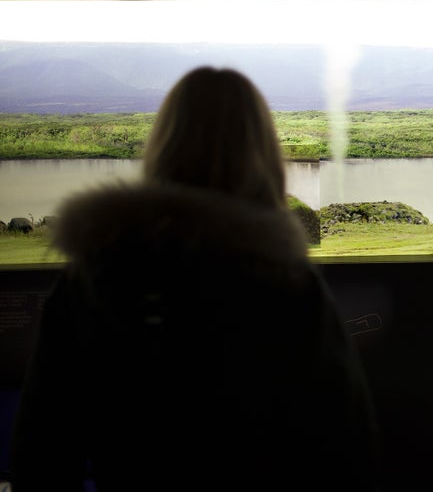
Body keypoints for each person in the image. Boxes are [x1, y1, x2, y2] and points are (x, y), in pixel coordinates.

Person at [10, 66, 382, 491]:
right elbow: (348, 447)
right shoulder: (289, 285)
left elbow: (41, 450)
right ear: (262, 152)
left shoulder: (95, 279)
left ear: (163, 145)